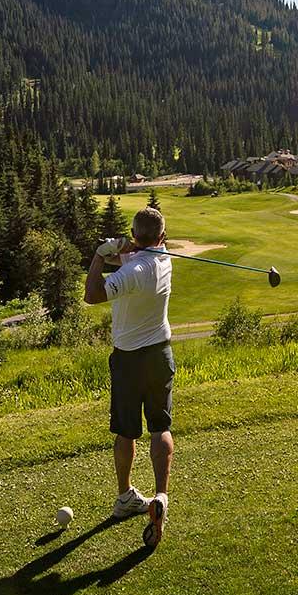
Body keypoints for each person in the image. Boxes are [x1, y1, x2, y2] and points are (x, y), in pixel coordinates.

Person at [85, 205, 174, 547]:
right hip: (160, 354)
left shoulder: (133, 271)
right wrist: (121, 249)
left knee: (126, 432)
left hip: (128, 359)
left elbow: (92, 295)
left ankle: (125, 498)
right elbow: (137, 258)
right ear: (162, 237)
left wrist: (99, 254)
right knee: (160, 427)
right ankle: (161, 496)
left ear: (135, 235)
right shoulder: (165, 260)